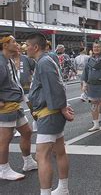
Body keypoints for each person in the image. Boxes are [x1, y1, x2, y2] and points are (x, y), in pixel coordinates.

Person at [26, 32, 74, 194]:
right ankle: (63, 188)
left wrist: (62, 108)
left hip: (49, 113)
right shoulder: (46, 60)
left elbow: (56, 87)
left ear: (35, 47)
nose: (25, 48)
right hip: (51, 112)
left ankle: (46, 192)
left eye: (27, 45)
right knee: (59, 151)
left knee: (42, 156)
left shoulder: (44, 62)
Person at [0, 33, 37, 181]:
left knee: (27, 132)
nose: (17, 44)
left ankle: (28, 162)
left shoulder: (8, 60)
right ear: (5, 45)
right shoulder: (1, 63)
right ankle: (3, 169)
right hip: (7, 105)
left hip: (15, 103)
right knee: (5, 139)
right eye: (14, 42)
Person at [81, 40, 101, 133]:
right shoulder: (89, 59)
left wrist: (89, 59)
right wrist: (84, 83)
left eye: (98, 47)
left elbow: (96, 65)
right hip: (92, 85)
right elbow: (85, 72)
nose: (96, 49)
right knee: (93, 105)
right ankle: (96, 124)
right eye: (94, 47)